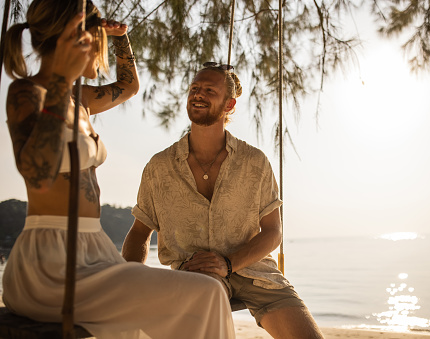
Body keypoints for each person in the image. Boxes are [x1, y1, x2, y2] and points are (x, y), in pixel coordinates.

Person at [2, 1, 235, 338]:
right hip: (50, 262)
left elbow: (129, 86)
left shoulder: (78, 99)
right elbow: (36, 174)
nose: (101, 55)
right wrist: (61, 81)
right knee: (207, 293)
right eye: (96, 41)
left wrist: (121, 38)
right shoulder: (29, 94)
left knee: (201, 297)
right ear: (74, 40)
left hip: (94, 252)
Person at [122, 62, 325, 339]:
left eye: (209, 90)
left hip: (257, 273)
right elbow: (139, 233)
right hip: (197, 277)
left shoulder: (255, 162)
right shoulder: (159, 167)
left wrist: (228, 264)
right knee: (208, 301)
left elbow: (273, 232)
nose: (198, 94)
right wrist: (131, 280)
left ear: (229, 104)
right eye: (194, 88)